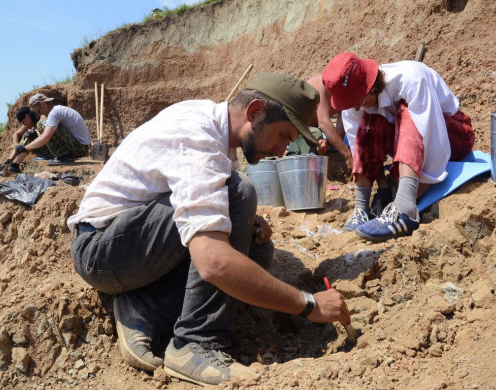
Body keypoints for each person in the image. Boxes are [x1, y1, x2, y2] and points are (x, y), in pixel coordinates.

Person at [67, 73, 350, 386]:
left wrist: (245, 222)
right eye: (283, 135)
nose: (283, 151)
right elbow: (214, 262)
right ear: (255, 113)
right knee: (239, 194)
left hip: (131, 248)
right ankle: (195, 343)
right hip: (101, 252)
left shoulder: (218, 133)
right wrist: (308, 304)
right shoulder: (197, 136)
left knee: (256, 247)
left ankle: (146, 306)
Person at [322, 52, 475, 242]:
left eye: (359, 101)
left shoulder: (412, 80)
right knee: (369, 120)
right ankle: (361, 209)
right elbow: (360, 148)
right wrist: (383, 191)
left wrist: (404, 200)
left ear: (371, 87)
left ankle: (404, 211)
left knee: (405, 110)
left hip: (454, 135)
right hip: (408, 146)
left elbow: (436, 143)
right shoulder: (355, 104)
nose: (356, 108)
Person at [10, 93, 91, 167]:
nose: (38, 114)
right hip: (78, 147)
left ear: (43, 104)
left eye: (38, 111)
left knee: (41, 124)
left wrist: (25, 148)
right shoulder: (57, 110)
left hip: (80, 148)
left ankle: (64, 157)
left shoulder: (54, 113)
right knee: (35, 135)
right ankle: (13, 165)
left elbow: (45, 138)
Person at [0, 107, 44, 175]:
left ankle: (14, 166)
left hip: (48, 146)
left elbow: (44, 136)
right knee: (27, 136)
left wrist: (35, 132)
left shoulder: (41, 118)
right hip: (39, 145)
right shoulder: (30, 121)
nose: (24, 124)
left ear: (27, 116)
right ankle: (7, 163)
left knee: (29, 135)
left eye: (23, 122)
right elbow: (16, 134)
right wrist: (17, 145)